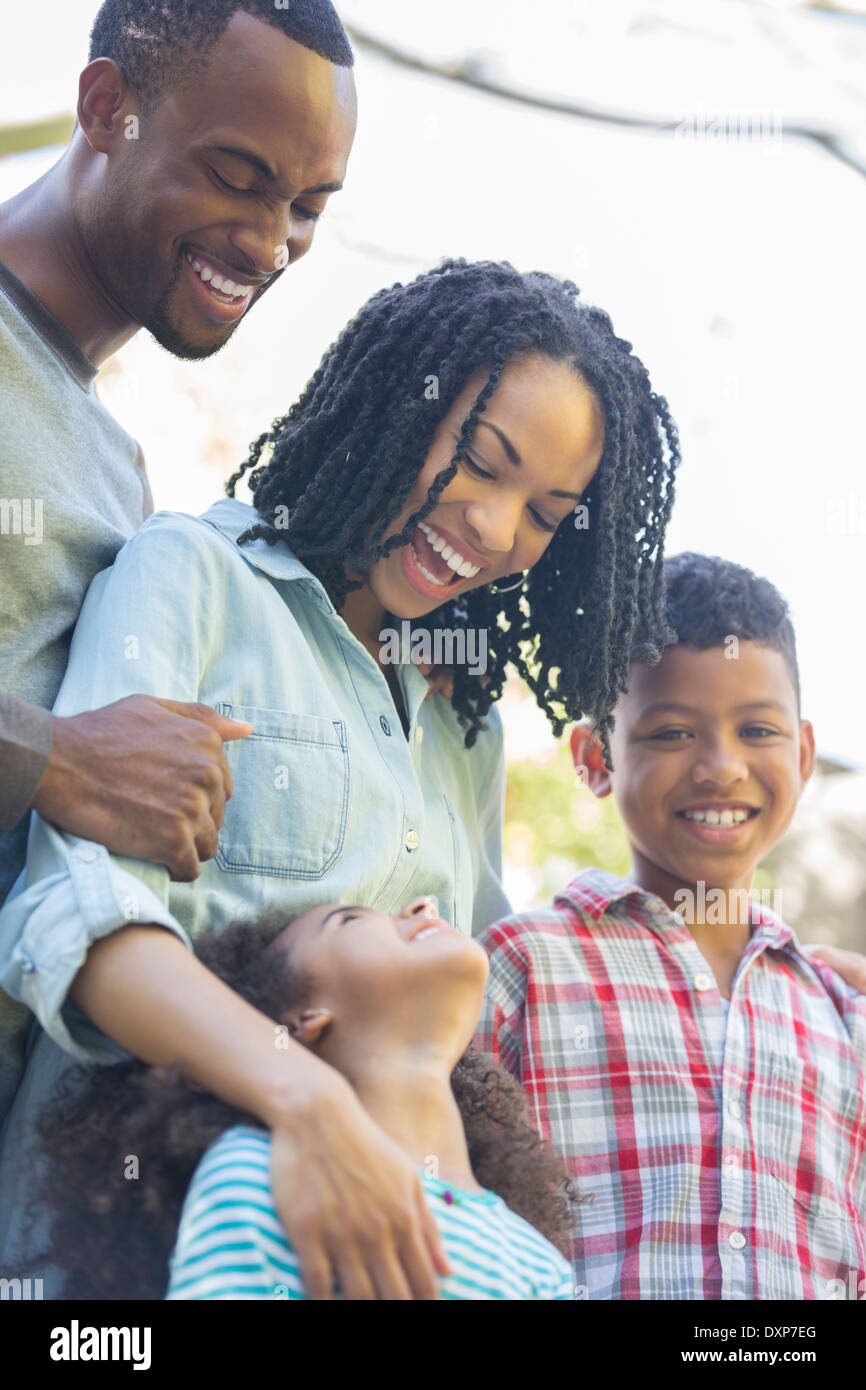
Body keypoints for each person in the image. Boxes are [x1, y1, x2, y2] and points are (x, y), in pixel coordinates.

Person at [0, 257, 680, 1298]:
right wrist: (305, 1107)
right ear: (393, 401)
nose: (496, 531)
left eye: (544, 513)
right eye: (481, 461)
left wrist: (772, 967)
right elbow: (76, 915)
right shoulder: (196, 577)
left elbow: (480, 1010)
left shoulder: (461, 731)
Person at [0, 0, 356, 1101]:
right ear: (107, 107)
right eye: (237, 175)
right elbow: (68, 763)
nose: (269, 242)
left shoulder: (121, 476)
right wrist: (54, 757)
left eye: (306, 205)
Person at [475, 552, 866, 1300]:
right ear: (596, 759)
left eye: (757, 729)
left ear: (806, 754)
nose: (722, 767)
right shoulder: (521, 967)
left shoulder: (842, 1013)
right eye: (671, 734)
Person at [33, 897, 576, 1300]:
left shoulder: (541, 1264)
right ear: (301, 1020)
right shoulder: (259, 1177)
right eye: (354, 919)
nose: (421, 904)